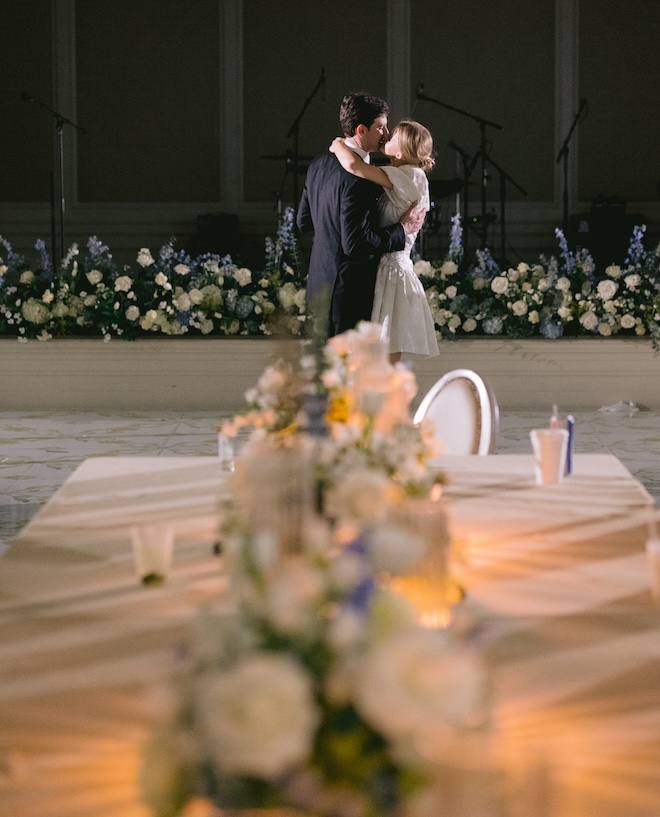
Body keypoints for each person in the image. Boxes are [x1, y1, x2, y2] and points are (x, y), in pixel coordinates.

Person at [297, 92, 424, 338]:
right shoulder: (362, 181)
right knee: (347, 375)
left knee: (322, 374)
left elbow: (303, 222)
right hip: (348, 295)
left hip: (318, 287)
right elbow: (356, 244)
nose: (386, 134)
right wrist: (401, 231)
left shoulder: (318, 164)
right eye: (381, 127)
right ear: (361, 130)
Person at [329, 119, 439, 363]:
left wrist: (337, 145)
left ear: (400, 152)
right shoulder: (409, 174)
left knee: (384, 357)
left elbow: (354, 167)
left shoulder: (408, 175)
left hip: (391, 272)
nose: (385, 137)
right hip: (390, 266)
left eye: (392, 138)